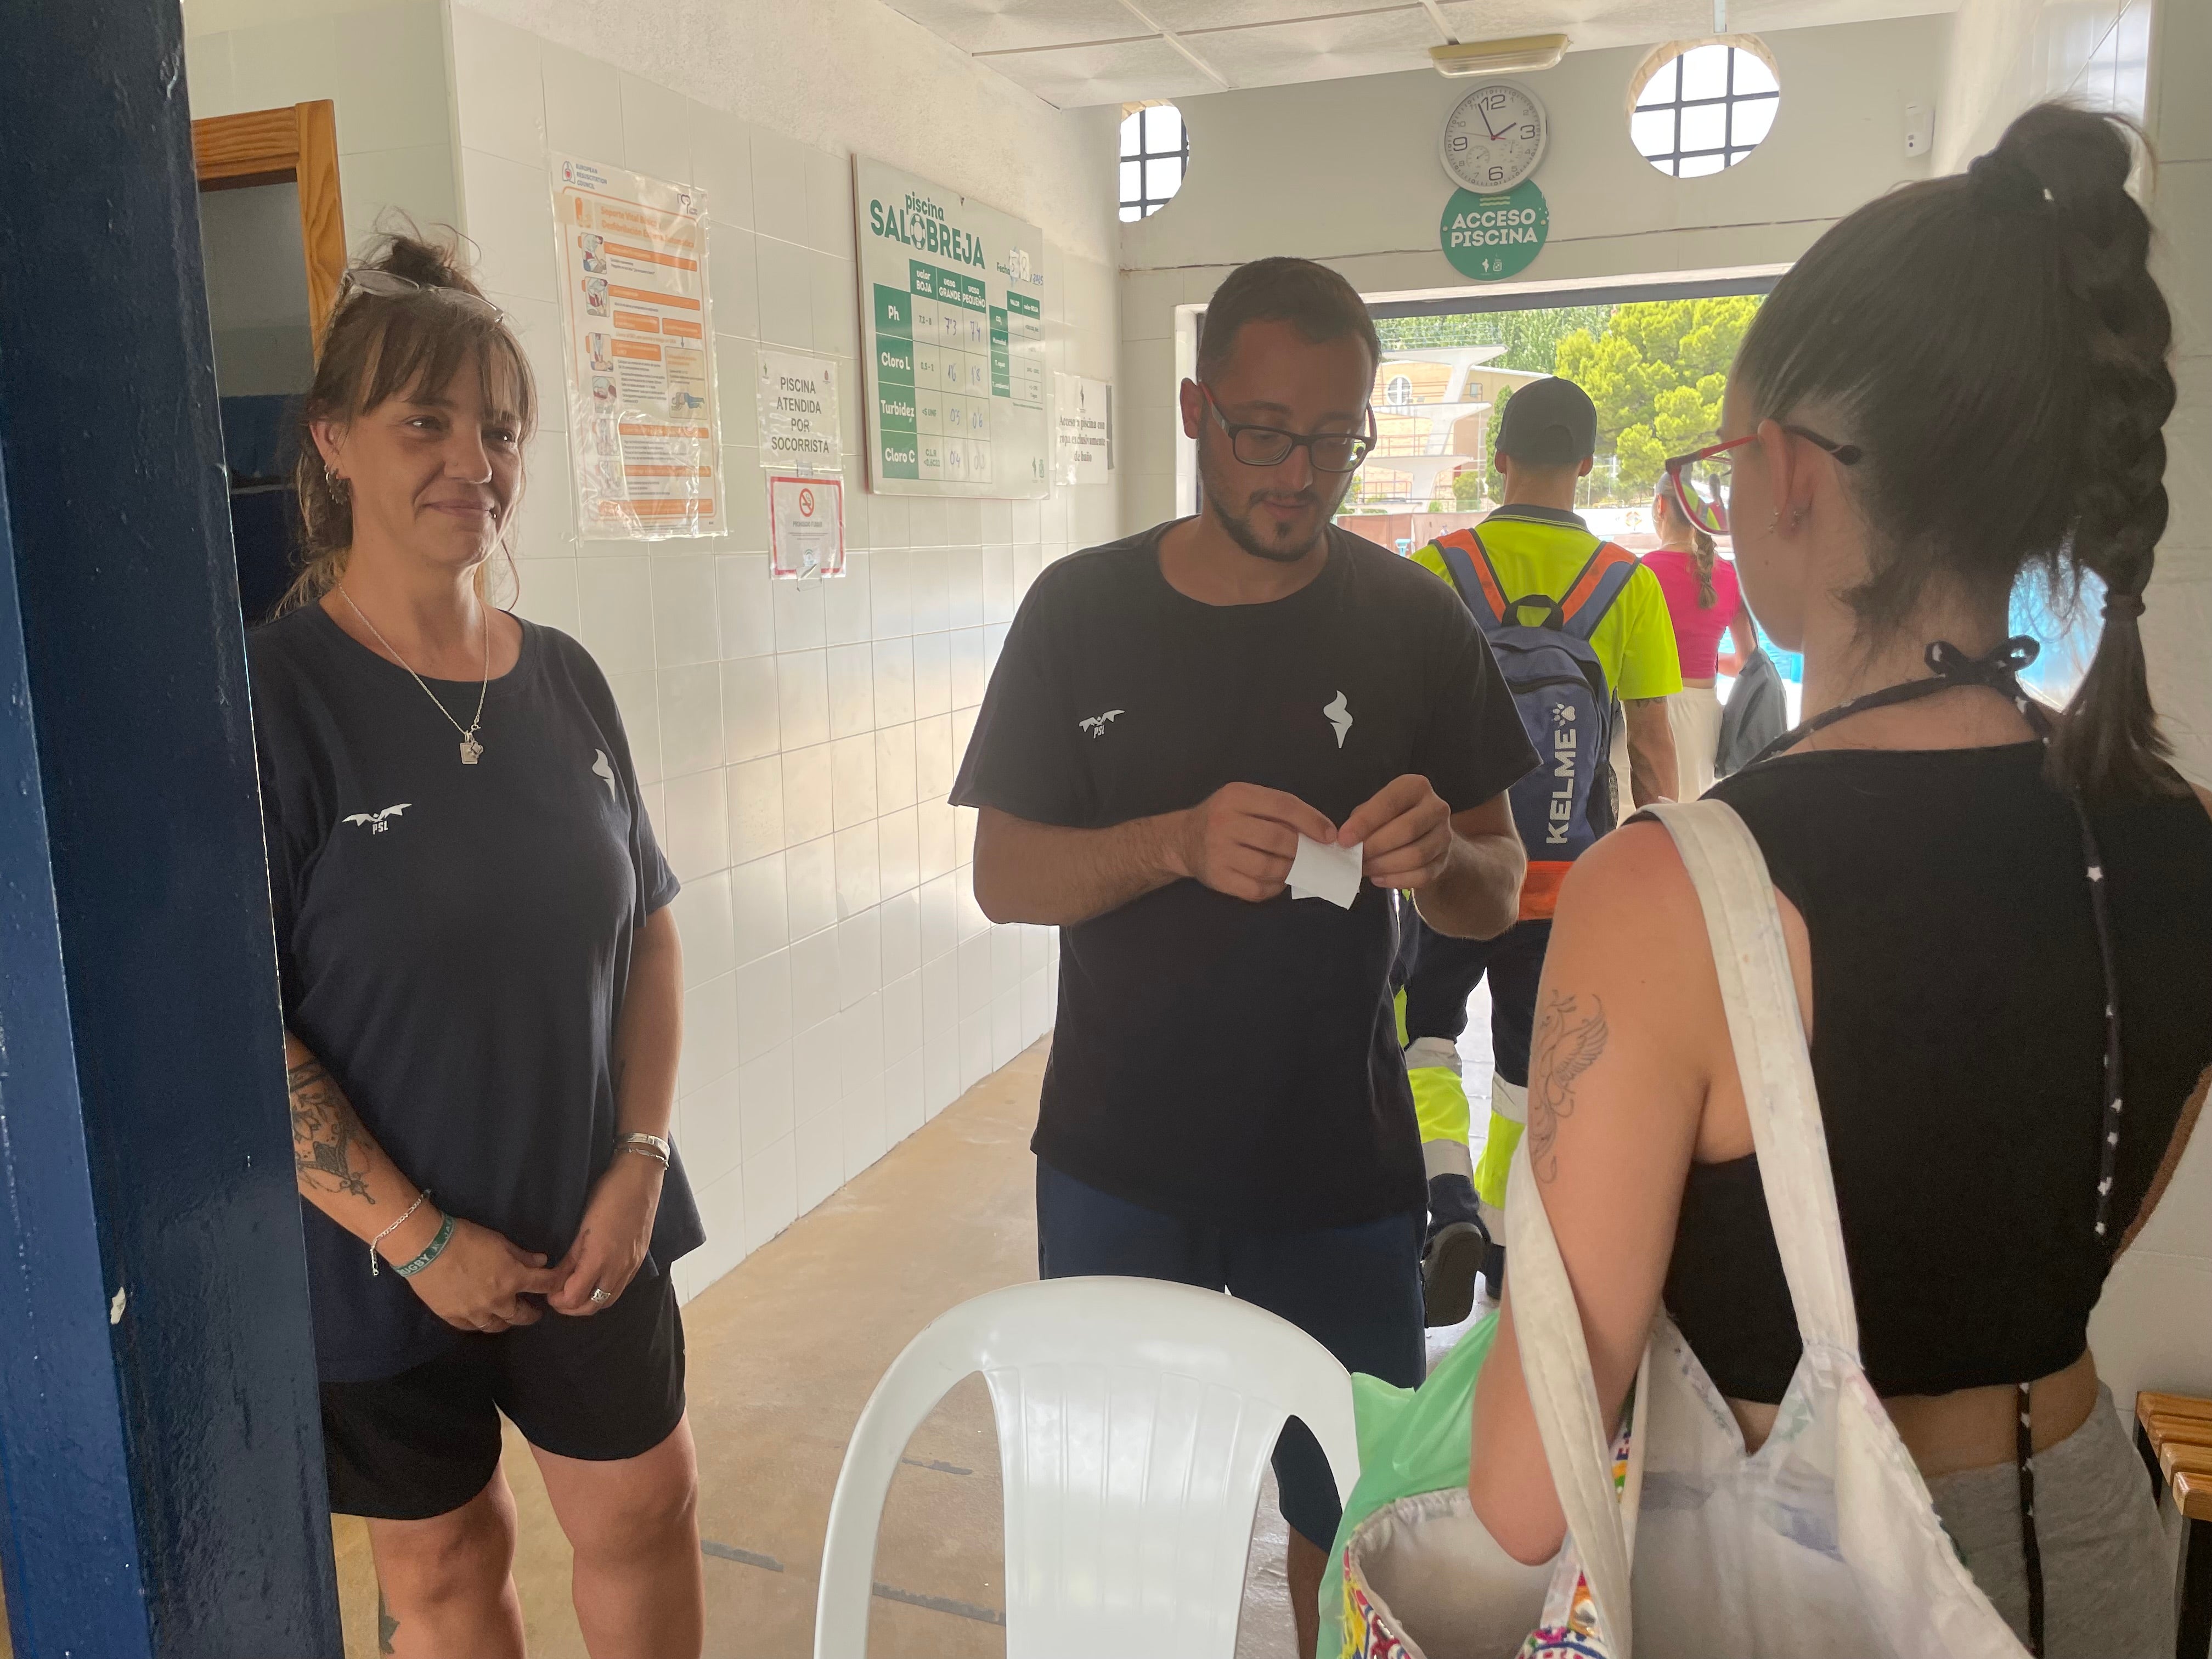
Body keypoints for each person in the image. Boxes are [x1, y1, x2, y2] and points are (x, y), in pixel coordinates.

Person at [1466, 105, 2210, 1656]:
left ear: (1793, 474)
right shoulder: (2181, 835)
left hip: (1803, 1588)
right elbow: (2056, 1226)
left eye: (1728, 462)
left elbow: (1527, 1497)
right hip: (2105, 1552)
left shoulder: (1672, 892)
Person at [950, 256, 1538, 1656]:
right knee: (1124, 1524)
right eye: (1268, 433)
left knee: (1351, 1525)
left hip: (1335, 1166)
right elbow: (1001, 876)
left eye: (1339, 439)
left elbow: (1499, 889)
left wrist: (1440, 860)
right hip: (1117, 1168)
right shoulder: (1080, 610)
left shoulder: (1412, 622)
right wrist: (1172, 843)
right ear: (1197, 408)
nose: (1303, 474)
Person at [251, 233, 707, 1659]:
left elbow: (650, 931)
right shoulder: (277, 701)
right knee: (448, 1572)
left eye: (498, 430)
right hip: (383, 1255)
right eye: (425, 423)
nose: (472, 461)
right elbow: (231, 1024)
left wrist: (639, 1165)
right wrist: (416, 1234)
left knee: (642, 1515)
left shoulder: (562, 678)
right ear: (334, 443)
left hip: (590, 1231)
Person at [1395, 379, 1684, 1321]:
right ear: (1587, 465)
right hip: (1569, 880)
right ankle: (1509, 1233)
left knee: (1426, 1030)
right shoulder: (1627, 584)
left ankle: (1442, 1202)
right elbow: (1650, 750)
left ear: (1501, 458)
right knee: (1529, 1063)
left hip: (1450, 866)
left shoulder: (1437, 569)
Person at [1643, 483, 1758, 798]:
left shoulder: (1638, 572)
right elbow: (1746, 663)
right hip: (1703, 721)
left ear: (1660, 506)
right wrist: (1706, 660)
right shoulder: (1727, 576)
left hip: (1645, 711)